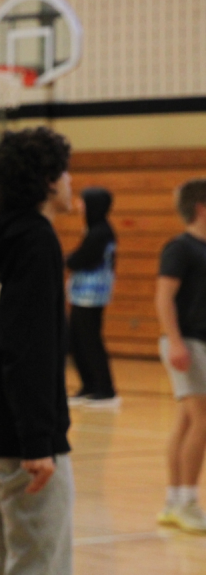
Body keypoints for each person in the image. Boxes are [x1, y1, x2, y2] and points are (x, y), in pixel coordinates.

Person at [0, 127, 75, 575]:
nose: (72, 182)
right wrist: (37, 439)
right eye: (66, 172)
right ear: (48, 180)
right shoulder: (36, 240)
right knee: (38, 562)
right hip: (22, 436)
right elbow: (27, 344)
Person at [155, 178, 206, 533]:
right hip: (187, 341)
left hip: (198, 341)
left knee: (187, 421)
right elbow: (163, 298)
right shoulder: (180, 248)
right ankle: (187, 501)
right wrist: (175, 342)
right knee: (202, 419)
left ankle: (174, 501)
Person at [67, 187, 119, 407]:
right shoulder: (94, 229)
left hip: (92, 295)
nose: (80, 206)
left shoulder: (101, 231)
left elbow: (83, 258)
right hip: (82, 294)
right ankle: (89, 386)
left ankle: (106, 390)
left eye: (84, 202)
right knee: (77, 340)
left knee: (90, 341)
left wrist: (66, 260)